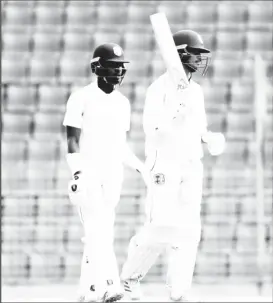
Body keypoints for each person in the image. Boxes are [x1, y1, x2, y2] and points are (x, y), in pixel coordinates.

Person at [120, 30, 225, 302]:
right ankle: (129, 278)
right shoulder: (158, 89)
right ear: (178, 55)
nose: (200, 59)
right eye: (195, 53)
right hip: (164, 164)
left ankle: (179, 290)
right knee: (162, 227)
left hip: (191, 164)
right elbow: (151, 129)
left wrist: (208, 138)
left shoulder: (196, 92)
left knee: (189, 230)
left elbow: (197, 128)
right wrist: (171, 113)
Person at [63, 43, 149, 302]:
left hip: (113, 176)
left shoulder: (122, 103)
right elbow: (71, 140)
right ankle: (110, 285)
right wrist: (77, 171)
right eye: (112, 66)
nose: (118, 71)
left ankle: (87, 289)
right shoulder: (81, 97)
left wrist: (142, 168)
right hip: (88, 175)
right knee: (98, 231)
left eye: (121, 66)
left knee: (99, 233)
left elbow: (120, 146)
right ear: (97, 68)